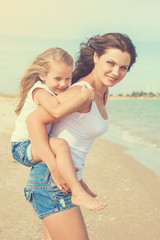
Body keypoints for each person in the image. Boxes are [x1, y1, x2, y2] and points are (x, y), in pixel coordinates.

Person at [24, 33, 137, 240]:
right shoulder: (82, 91)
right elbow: (33, 120)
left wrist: (79, 179)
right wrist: (54, 167)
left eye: (123, 68)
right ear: (96, 57)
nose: (116, 72)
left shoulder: (102, 91)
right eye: (110, 63)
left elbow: (71, 135)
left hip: (63, 180)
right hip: (51, 181)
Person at [11, 47, 106, 210]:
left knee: (63, 149)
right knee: (61, 145)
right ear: (42, 75)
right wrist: (82, 97)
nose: (63, 84)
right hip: (22, 146)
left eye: (68, 78)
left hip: (33, 144)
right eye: (57, 78)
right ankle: (77, 192)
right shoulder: (40, 92)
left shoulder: (52, 91)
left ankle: (78, 185)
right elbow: (56, 111)